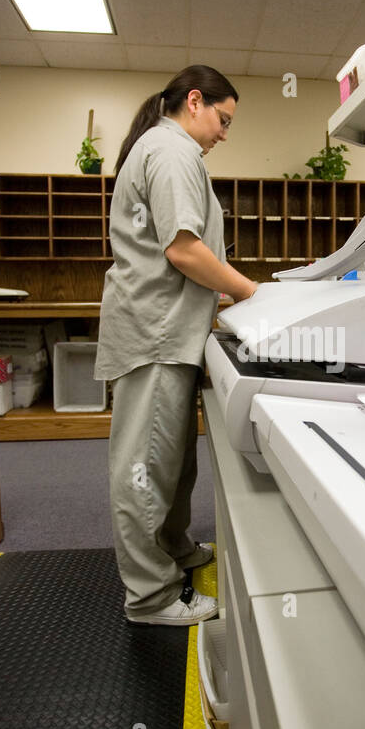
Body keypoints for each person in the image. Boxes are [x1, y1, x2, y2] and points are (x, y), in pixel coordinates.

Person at [93, 65, 258, 627]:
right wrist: (250, 291)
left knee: (172, 460)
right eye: (223, 119)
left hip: (170, 330)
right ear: (195, 102)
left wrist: (225, 300)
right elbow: (183, 251)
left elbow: (183, 256)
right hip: (155, 334)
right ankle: (151, 596)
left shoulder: (166, 149)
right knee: (144, 466)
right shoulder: (173, 152)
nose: (223, 134)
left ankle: (174, 549)